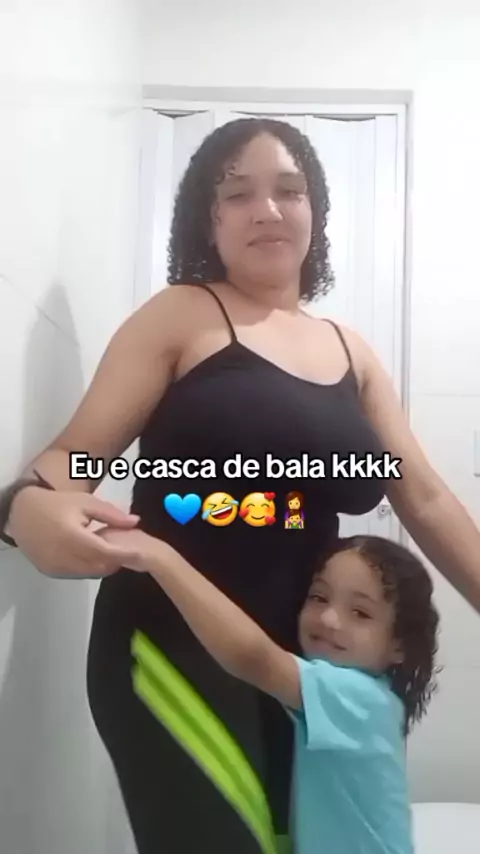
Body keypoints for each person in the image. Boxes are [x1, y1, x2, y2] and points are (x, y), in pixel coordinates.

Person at [1, 116, 480, 853]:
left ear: (315, 213)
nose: (268, 209)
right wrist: (25, 507)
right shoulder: (183, 316)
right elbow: (74, 457)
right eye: (238, 194)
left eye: (290, 190)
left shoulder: (352, 353)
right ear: (209, 219)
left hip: (303, 668)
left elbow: (424, 498)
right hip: (172, 646)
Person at [96, 527, 440, 854]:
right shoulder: (361, 696)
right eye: (319, 597)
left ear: (399, 645)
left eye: (360, 613)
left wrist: (161, 558)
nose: (329, 619)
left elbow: (254, 658)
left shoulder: (360, 698)